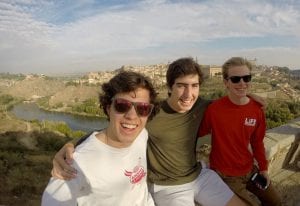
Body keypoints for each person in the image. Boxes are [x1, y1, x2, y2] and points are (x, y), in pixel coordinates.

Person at [52, 57, 263, 206]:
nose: (189, 94)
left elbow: (233, 104)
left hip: (200, 176)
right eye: (181, 86)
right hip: (167, 188)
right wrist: (73, 144)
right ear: (170, 87)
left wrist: (253, 100)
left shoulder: (203, 106)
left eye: (195, 85)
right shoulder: (151, 113)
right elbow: (113, 131)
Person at [42, 71, 159, 206]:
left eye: (143, 108)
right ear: (108, 108)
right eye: (122, 105)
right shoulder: (79, 161)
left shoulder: (141, 135)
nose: (132, 116)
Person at [198, 57, 282, 206]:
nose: (242, 83)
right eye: (236, 79)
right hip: (226, 175)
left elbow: (257, 142)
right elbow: (198, 132)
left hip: (250, 170)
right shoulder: (214, 110)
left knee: (275, 202)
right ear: (226, 83)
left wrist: (263, 168)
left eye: (246, 78)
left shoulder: (257, 110)